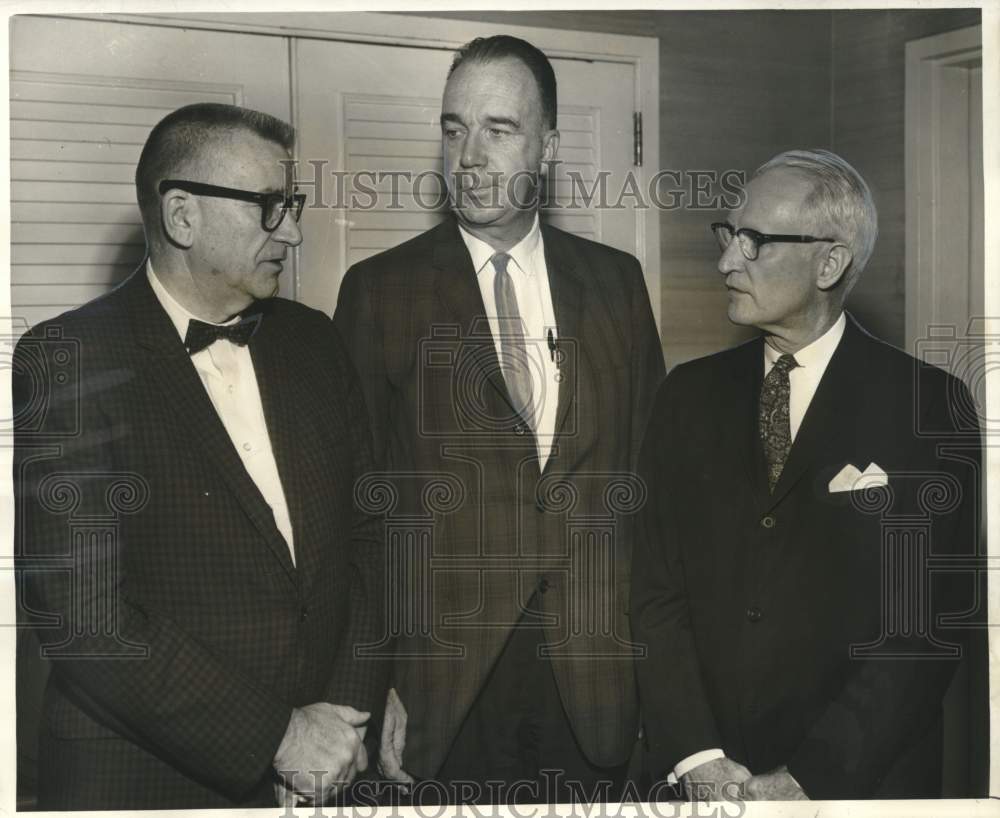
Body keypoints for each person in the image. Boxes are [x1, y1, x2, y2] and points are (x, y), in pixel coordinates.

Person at [13, 102, 386, 809]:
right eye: (269, 208)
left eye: (293, 204)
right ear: (182, 216)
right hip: (147, 782)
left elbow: (371, 540)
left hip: (332, 764)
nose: (296, 232)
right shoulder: (69, 359)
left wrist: (340, 723)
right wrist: (279, 738)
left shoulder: (316, 343)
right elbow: (84, 618)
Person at [334, 35, 664, 802]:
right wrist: (365, 685)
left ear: (547, 146)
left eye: (498, 129)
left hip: (597, 687)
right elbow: (357, 514)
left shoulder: (617, 284)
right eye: (454, 129)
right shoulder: (381, 292)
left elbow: (649, 494)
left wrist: (662, 685)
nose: (469, 154)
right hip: (442, 693)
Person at [632, 149, 981, 800]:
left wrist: (806, 781)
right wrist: (699, 758)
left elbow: (921, 633)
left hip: (861, 789)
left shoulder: (928, 407)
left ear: (830, 261)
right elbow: (656, 595)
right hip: (703, 784)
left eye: (754, 242)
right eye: (728, 237)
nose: (726, 262)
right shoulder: (686, 396)